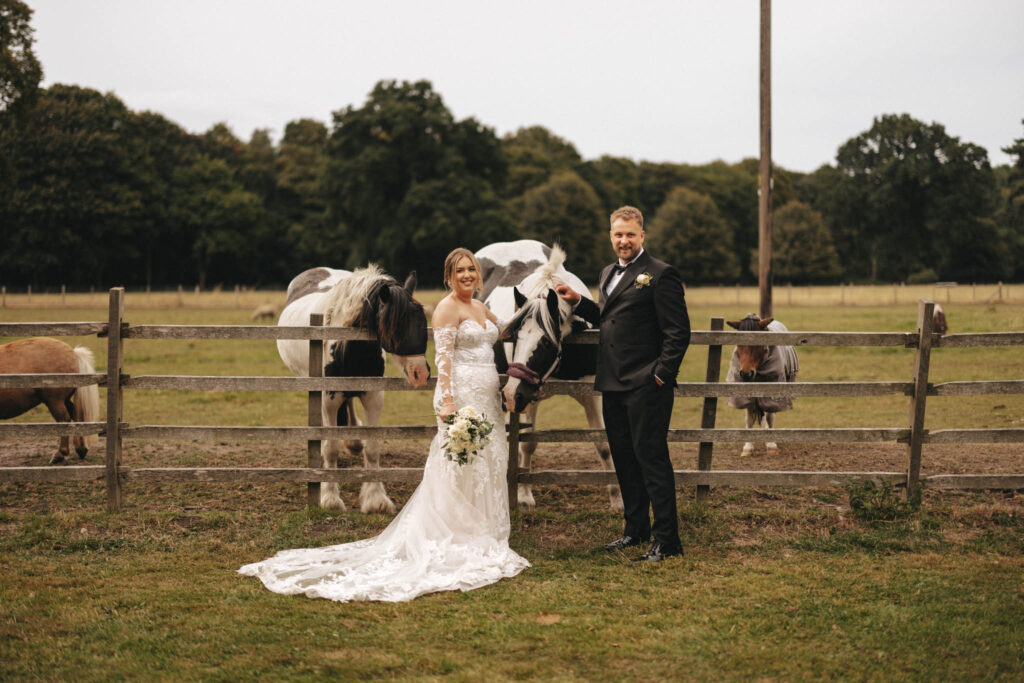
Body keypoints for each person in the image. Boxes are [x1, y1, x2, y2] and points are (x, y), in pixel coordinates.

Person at [239, 248, 529, 601]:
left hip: (488, 398)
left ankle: (483, 528)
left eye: (472, 270)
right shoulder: (447, 308)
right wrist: (449, 399)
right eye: (460, 271)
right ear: (449, 277)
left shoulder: (481, 308)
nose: (467, 275)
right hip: (464, 394)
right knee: (459, 463)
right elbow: (444, 360)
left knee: (488, 461)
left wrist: (544, 302)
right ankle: (454, 529)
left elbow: (504, 330)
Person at [555, 206, 690, 562]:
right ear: (610, 235)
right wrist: (579, 302)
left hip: (647, 385)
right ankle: (635, 530)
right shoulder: (607, 273)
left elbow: (678, 332)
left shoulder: (661, 274)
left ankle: (668, 540)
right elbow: (609, 317)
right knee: (625, 461)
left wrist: (660, 374)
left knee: (652, 460)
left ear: (642, 235)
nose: (624, 240)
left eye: (630, 234)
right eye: (618, 234)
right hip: (612, 384)